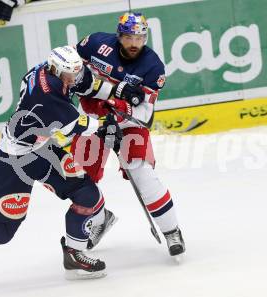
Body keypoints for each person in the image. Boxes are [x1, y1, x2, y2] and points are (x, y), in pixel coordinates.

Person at [0, 45, 123, 292]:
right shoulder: (46, 94)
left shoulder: (54, 70)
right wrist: (106, 124)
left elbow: (86, 83)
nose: (72, 79)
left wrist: (117, 93)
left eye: (74, 73)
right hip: (12, 161)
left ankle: (74, 254)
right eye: (69, 75)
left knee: (87, 193)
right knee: (3, 230)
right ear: (56, 70)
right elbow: (76, 124)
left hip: (40, 150)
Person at [70, 12, 186, 257]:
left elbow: (146, 115)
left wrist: (120, 112)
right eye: (129, 37)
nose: (135, 44)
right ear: (119, 35)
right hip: (92, 121)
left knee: (141, 171)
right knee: (79, 181)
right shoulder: (94, 43)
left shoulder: (153, 66)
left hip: (129, 123)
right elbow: (69, 65)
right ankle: (101, 220)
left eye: (140, 38)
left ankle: (171, 230)